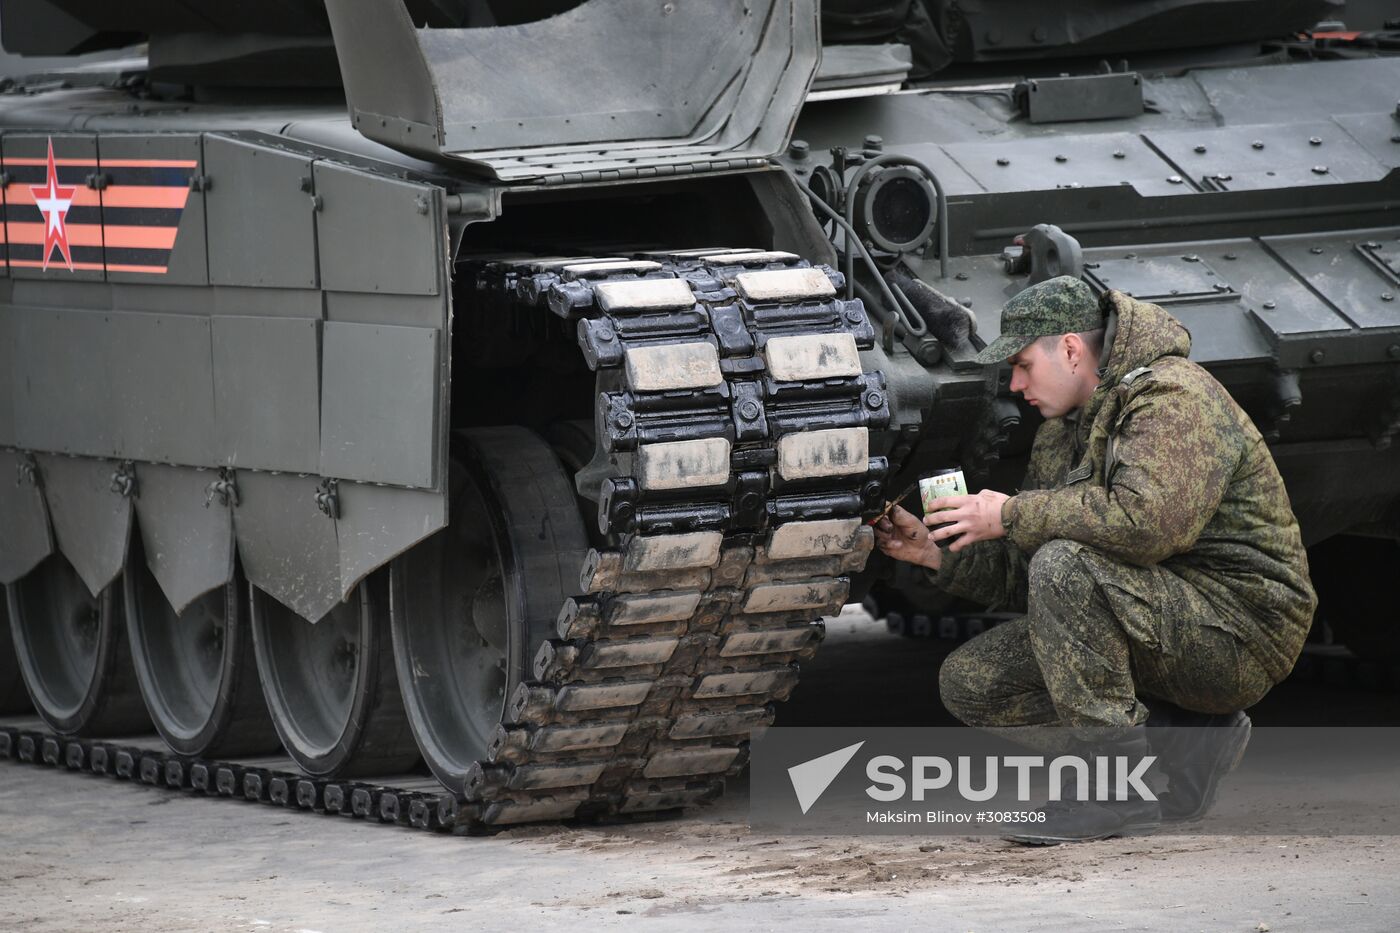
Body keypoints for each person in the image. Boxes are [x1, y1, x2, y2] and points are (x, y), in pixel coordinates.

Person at [874, 275, 1317, 843]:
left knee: (1067, 563)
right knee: (974, 683)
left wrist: (1010, 514)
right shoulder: (1063, 430)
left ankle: (1113, 794)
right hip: (1157, 611)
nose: (1014, 383)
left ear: (1070, 349)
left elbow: (1147, 525)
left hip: (1241, 628)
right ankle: (1186, 740)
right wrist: (937, 556)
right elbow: (1039, 578)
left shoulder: (1173, 396)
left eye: (1023, 364)